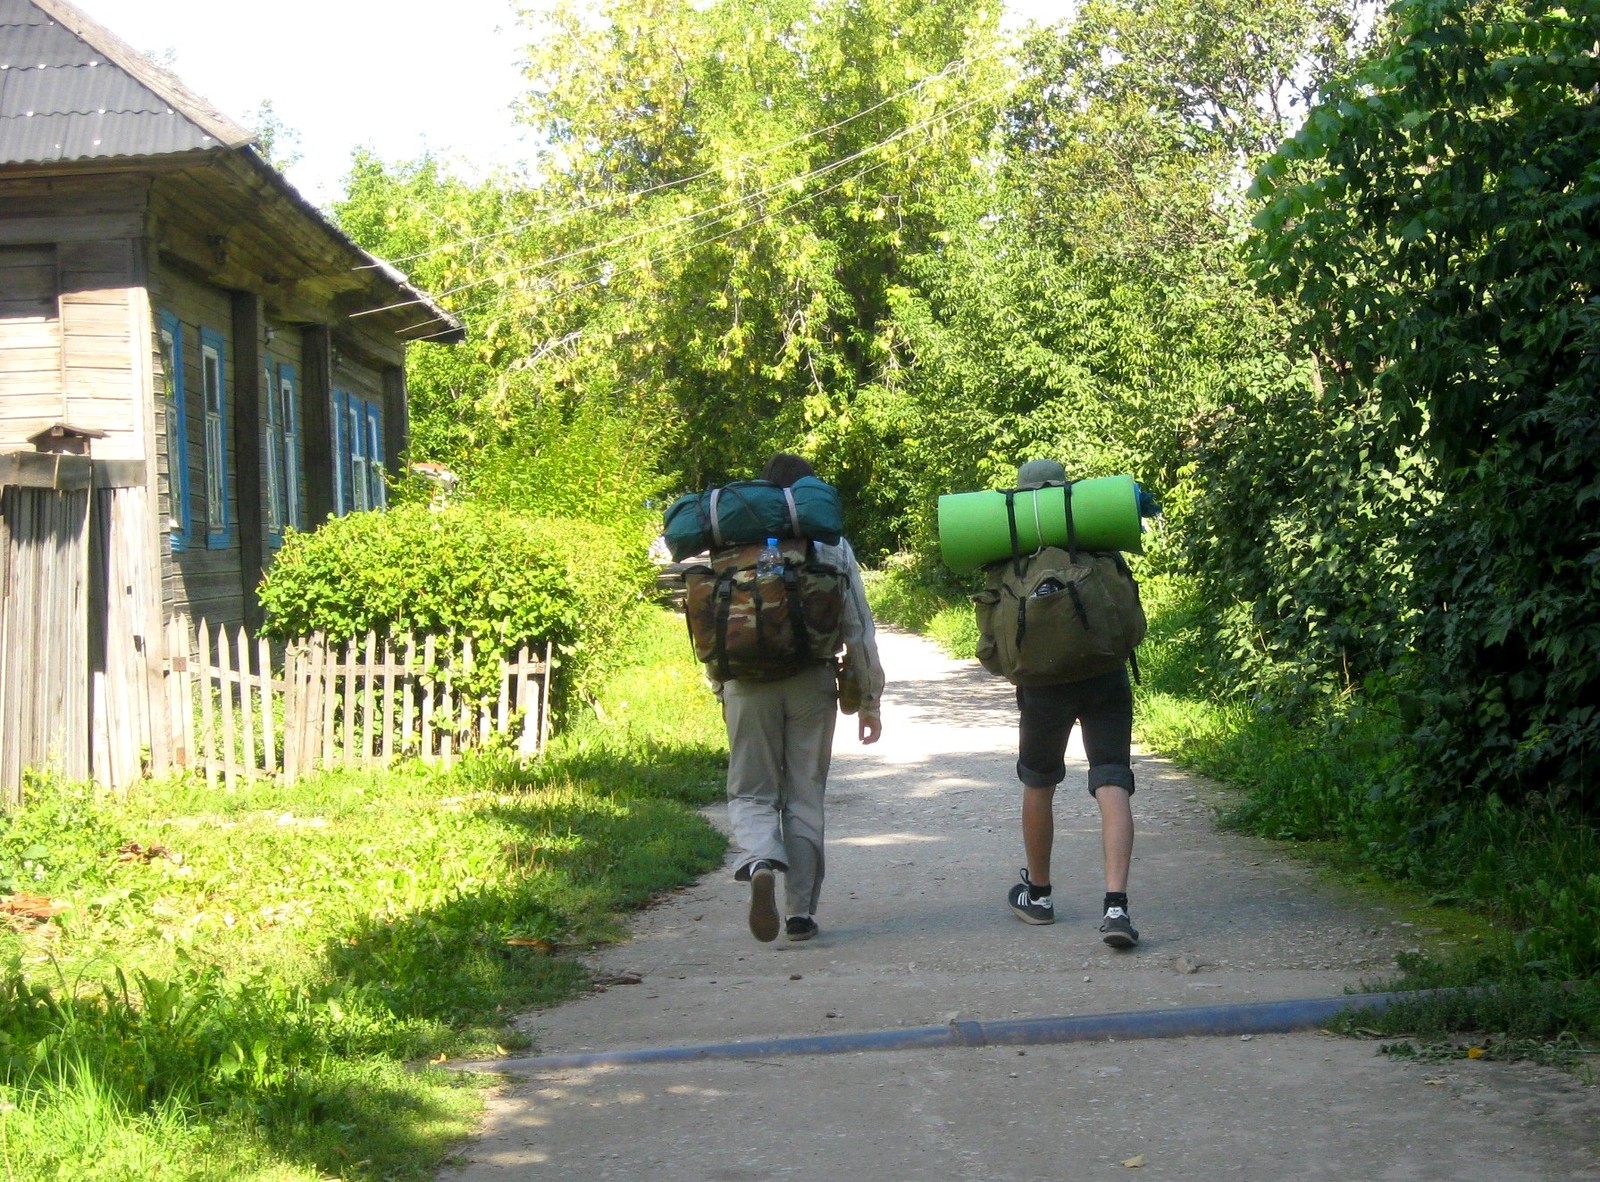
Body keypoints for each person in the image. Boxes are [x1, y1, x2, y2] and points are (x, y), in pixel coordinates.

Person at [718, 453, 884, 943]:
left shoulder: (734, 541)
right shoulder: (830, 544)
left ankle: (761, 860)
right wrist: (869, 699)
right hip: (812, 678)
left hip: (746, 683)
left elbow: (710, 623)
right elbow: (858, 627)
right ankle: (799, 914)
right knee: (805, 795)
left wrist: (720, 684)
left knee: (751, 790)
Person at [1002, 458, 1140, 948]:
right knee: (1111, 779)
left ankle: (1038, 897)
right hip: (1104, 675)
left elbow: (994, 639)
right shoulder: (1096, 538)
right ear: (1067, 493)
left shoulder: (1007, 550)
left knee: (1039, 784)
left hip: (1042, 687)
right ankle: (1116, 906)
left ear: (1018, 499)